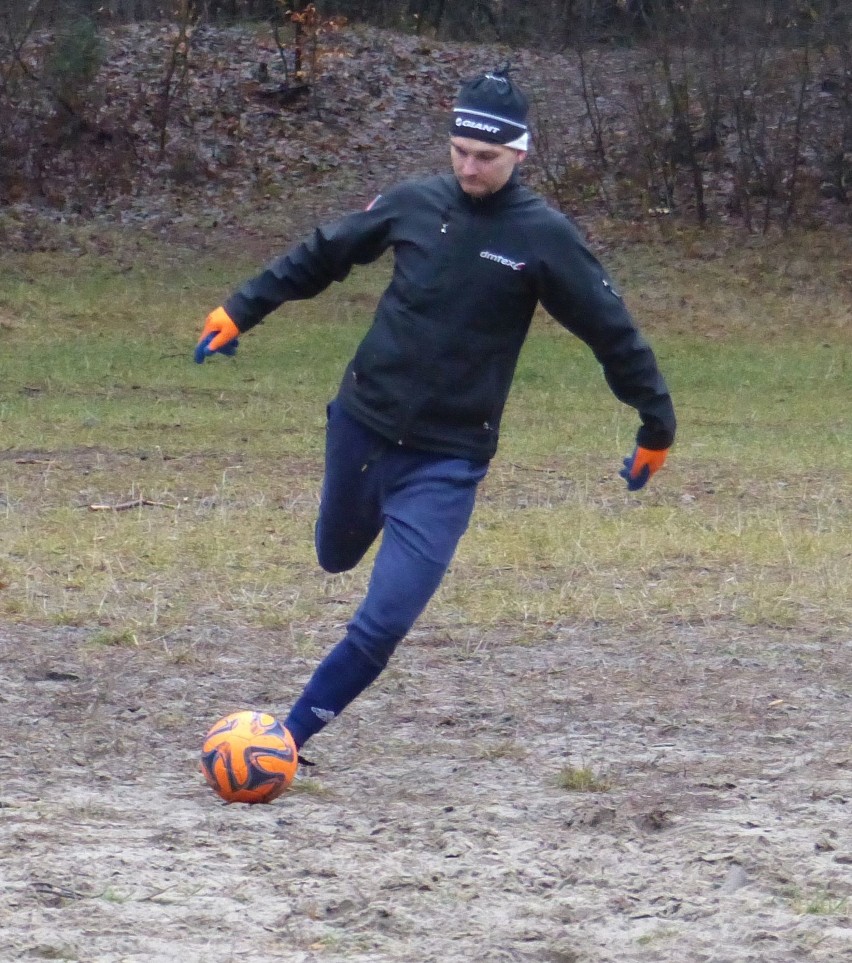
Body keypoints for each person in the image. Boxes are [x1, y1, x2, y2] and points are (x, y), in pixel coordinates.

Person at [195, 66, 676, 753]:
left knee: (385, 617)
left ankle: (286, 738)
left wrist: (655, 422)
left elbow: (613, 333)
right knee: (334, 555)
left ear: (520, 153)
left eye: (487, 157)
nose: (470, 168)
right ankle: (353, 531)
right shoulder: (416, 203)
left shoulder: (545, 237)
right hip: (361, 423)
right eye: (460, 152)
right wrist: (241, 308)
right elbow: (324, 253)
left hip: (448, 459)